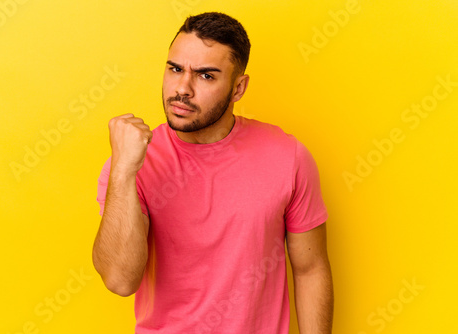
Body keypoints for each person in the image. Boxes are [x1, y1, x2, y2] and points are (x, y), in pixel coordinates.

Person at [92, 12, 333, 334]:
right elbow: (120, 280)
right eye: (175, 69)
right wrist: (123, 170)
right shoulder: (132, 162)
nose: (183, 88)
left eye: (206, 76)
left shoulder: (288, 157)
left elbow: (311, 269)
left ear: (238, 88)